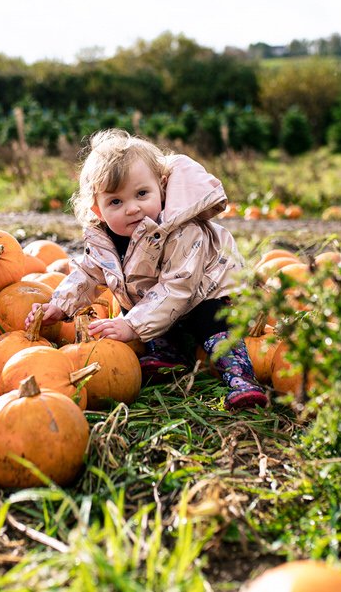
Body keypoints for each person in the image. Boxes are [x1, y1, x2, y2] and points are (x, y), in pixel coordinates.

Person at [25, 128, 268, 411]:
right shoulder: (104, 237)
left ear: (161, 187)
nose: (132, 208)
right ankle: (167, 351)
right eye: (116, 201)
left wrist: (133, 325)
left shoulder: (183, 232)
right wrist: (59, 305)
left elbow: (177, 288)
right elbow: (88, 273)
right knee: (131, 298)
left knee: (209, 319)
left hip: (208, 291)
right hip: (160, 300)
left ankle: (239, 376)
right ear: (98, 210)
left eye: (142, 194)